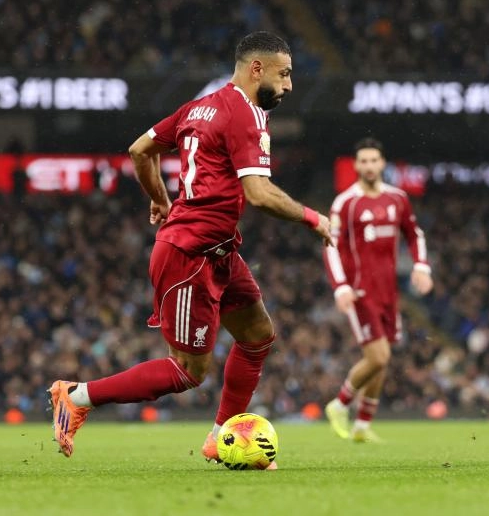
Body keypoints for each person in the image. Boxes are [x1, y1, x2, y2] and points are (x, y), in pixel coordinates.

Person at [47, 32, 332, 466]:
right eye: (285, 73)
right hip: (190, 255)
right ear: (257, 69)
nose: (290, 85)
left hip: (218, 250)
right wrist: (313, 218)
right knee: (187, 371)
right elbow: (257, 192)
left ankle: (221, 436)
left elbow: (140, 149)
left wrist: (159, 197)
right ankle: (76, 396)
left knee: (257, 336)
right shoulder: (246, 113)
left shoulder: (200, 106)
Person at [323, 138, 433, 442]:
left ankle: (362, 425)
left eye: (374, 160)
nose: (369, 166)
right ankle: (339, 404)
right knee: (379, 356)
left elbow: (414, 234)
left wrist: (421, 266)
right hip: (360, 291)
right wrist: (341, 287)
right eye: (364, 161)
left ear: (382, 163)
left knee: (381, 359)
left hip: (389, 293)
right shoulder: (346, 202)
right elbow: (330, 247)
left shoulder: (397, 199)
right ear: (356, 165)